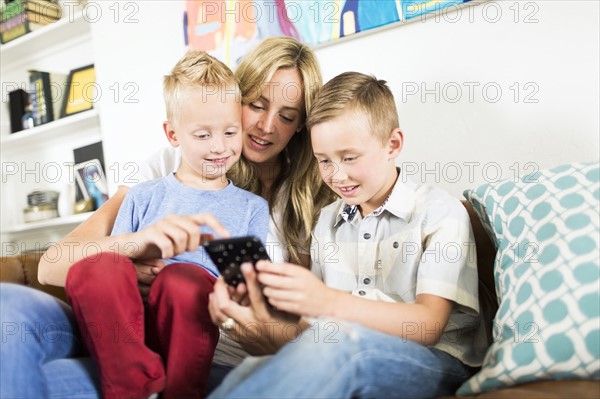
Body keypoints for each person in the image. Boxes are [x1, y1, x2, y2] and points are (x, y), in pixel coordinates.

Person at [0, 36, 335, 399]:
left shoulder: (300, 206)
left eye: (287, 117)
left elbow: (299, 328)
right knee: (11, 310)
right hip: (123, 335)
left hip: (216, 354)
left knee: (182, 286)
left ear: (301, 124)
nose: (267, 126)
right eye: (256, 105)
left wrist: (239, 309)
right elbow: (52, 267)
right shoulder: (161, 171)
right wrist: (132, 252)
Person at [208, 72, 487, 398]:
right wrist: (253, 325)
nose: (336, 175)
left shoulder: (439, 211)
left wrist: (327, 301)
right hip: (342, 348)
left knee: (344, 348)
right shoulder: (327, 221)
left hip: (435, 361)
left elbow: (427, 325)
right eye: (324, 161)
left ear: (393, 144)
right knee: (250, 369)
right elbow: (309, 333)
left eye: (349, 158)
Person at [65, 50, 270, 399]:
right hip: (128, 326)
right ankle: (133, 389)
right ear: (172, 134)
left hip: (191, 324)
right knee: (92, 268)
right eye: (203, 135)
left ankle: (179, 392)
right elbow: (114, 263)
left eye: (230, 132)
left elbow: (244, 285)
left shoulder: (252, 208)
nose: (219, 147)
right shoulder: (142, 194)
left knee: (182, 280)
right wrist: (137, 267)